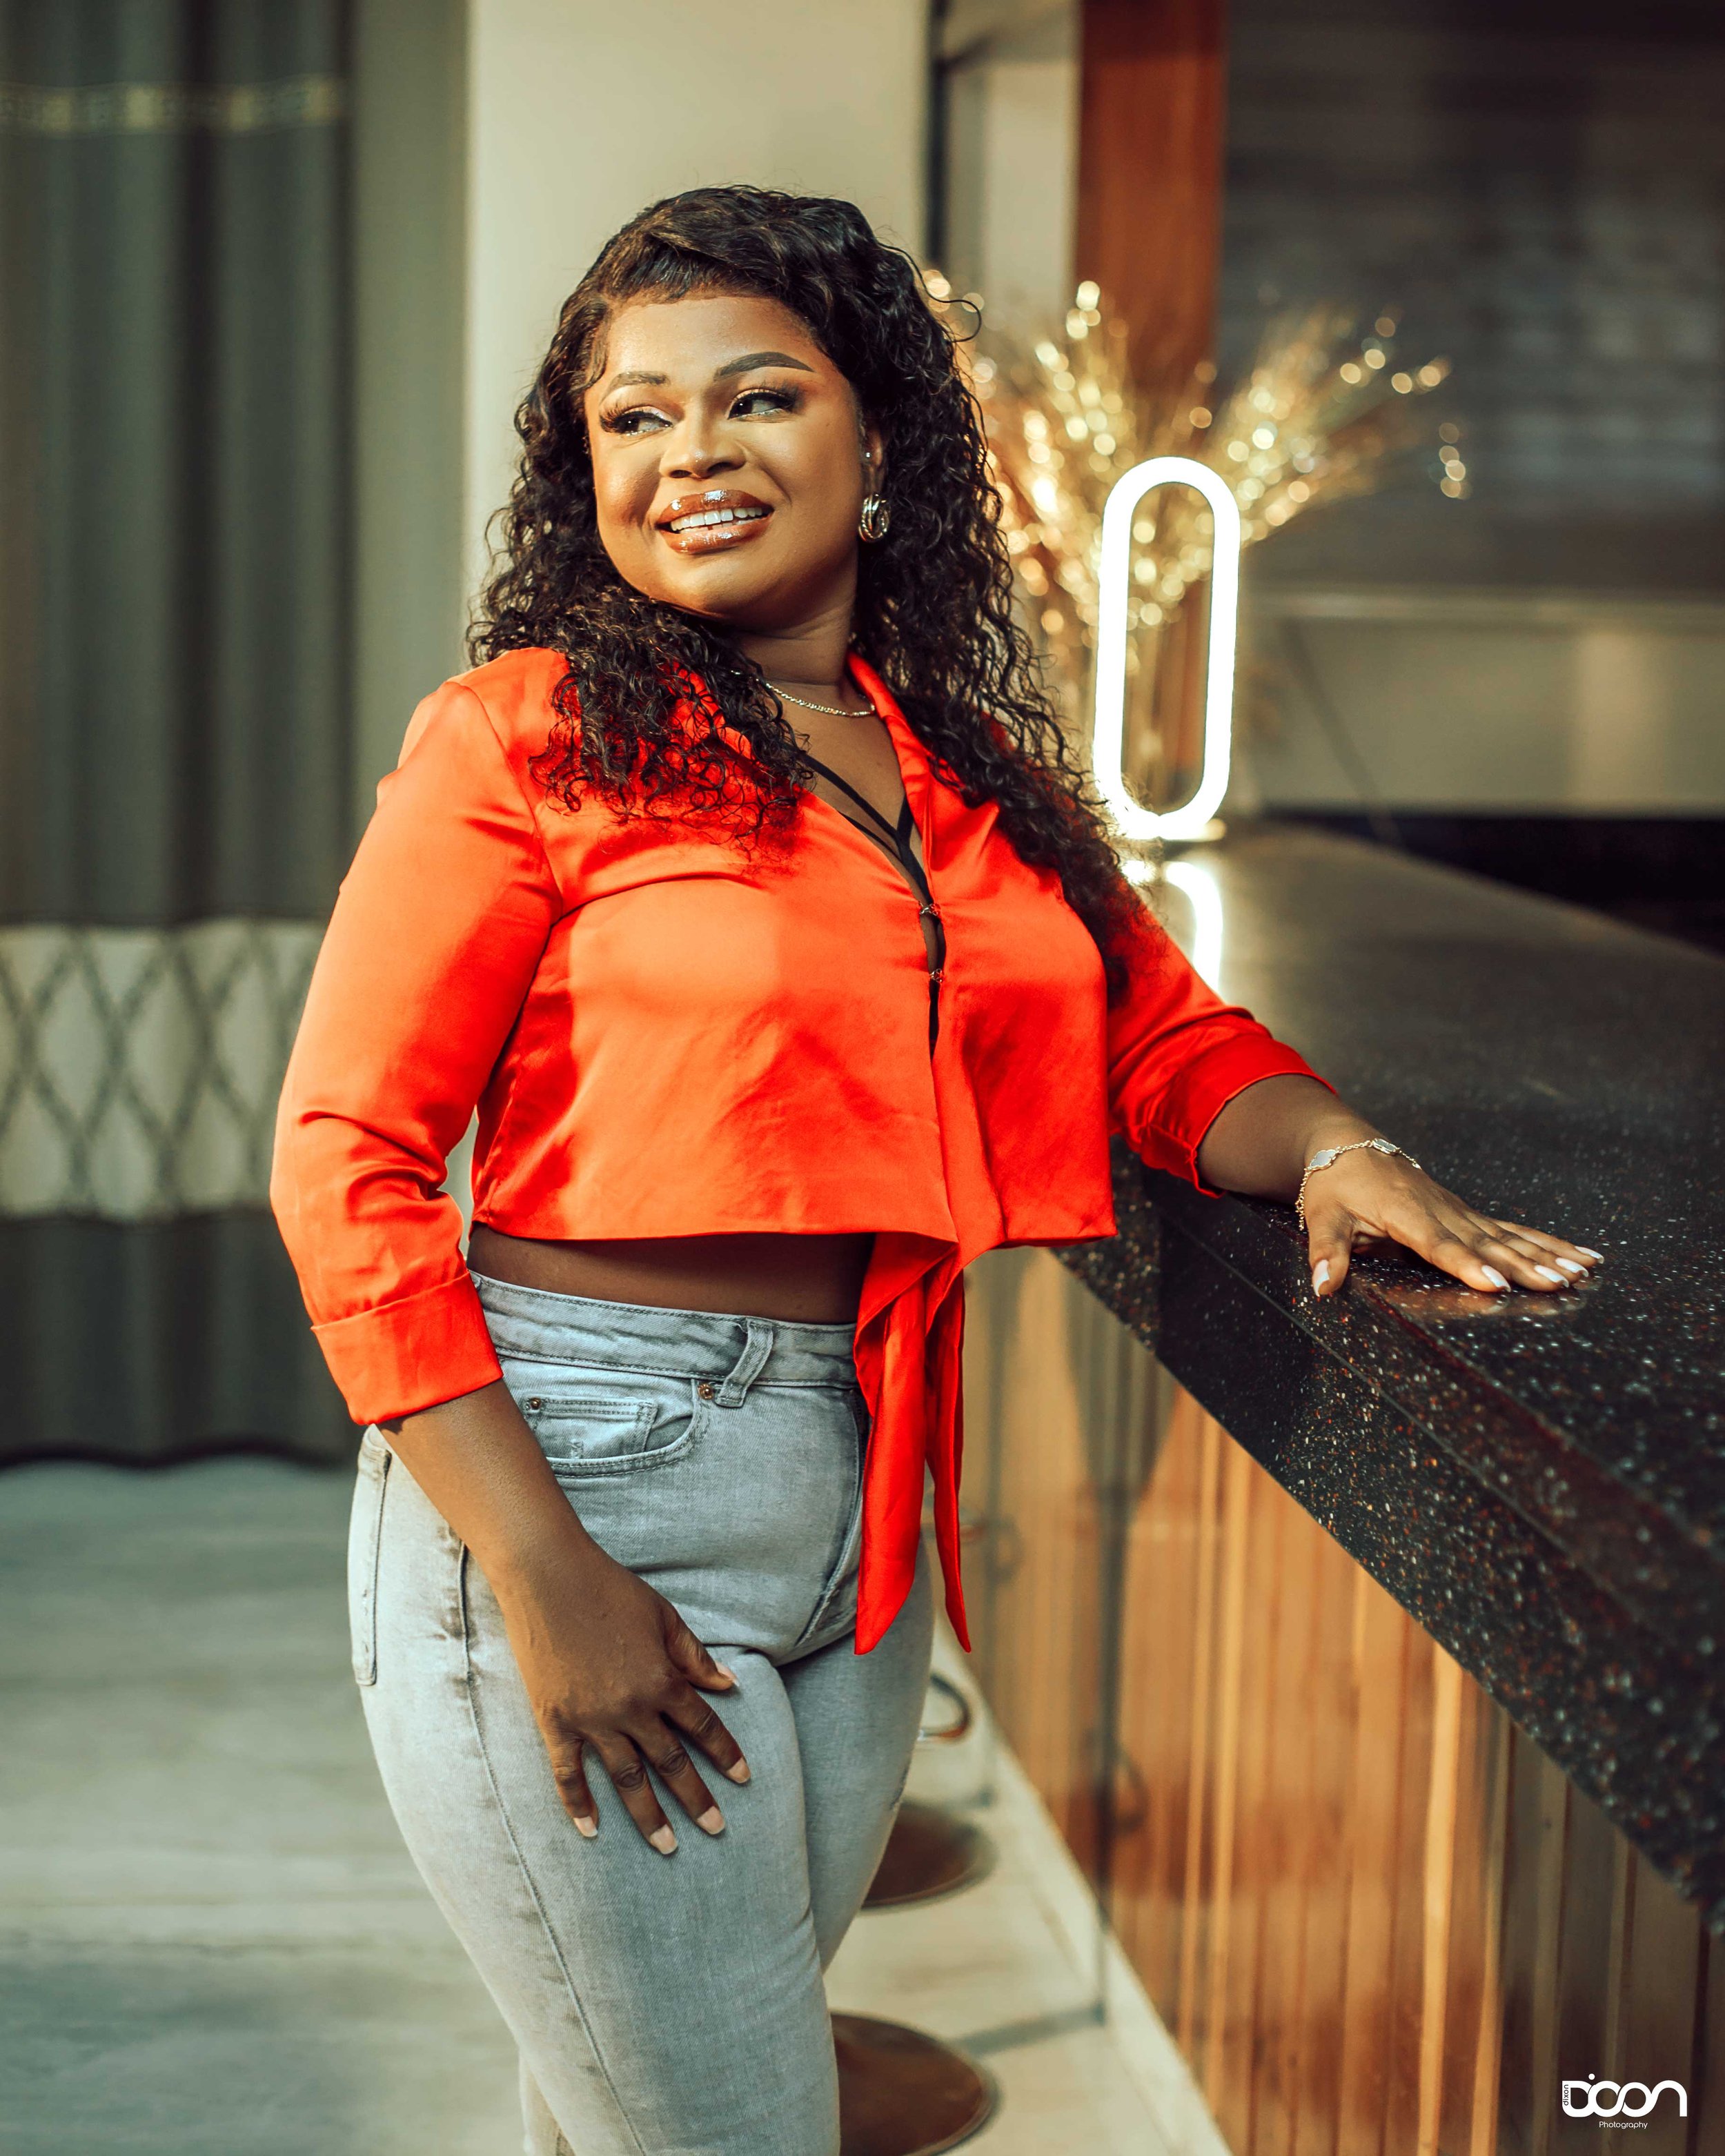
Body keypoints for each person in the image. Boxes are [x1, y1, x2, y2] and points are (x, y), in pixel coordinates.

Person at [270, 185, 1599, 2156]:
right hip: (571, 1473)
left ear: (875, 443)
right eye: (630, 421)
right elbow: (344, 1159)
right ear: (585, 477)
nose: (691, 456)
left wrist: (1333, 1150)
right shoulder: (523, 735)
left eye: (753, 399)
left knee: (638, 2107)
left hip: (865, 1500)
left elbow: (1161, 1042)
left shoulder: (963, 764)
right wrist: (542, 1576)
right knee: (728, 2126)